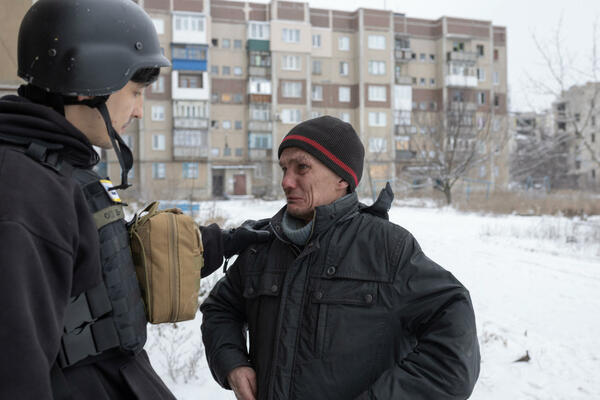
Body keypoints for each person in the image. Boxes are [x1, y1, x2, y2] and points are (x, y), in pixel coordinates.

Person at [0, 0, 268, 398]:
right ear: (87, 82)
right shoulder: (24, 193)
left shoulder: (58, 168)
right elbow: (14, 369)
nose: (140, 111)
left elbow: (105, 263)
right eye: (136, 92)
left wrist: (221, 242)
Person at [201, 115, 481, 400]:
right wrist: (233, 363)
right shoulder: (263, 244)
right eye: (284, 168)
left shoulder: (387, 248)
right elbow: (220, 309)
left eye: (302, 168)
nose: (286, 181)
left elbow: (455, 344)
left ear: (342, 179)